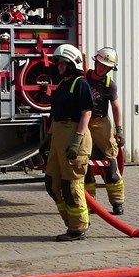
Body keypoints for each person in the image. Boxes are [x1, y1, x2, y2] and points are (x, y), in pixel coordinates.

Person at [44, 44, 94, 241]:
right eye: (58, 63)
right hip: (58, 136)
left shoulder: (80, 84)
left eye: (63, 63)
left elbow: (86, 113)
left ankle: (78, 227)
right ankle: (72, 222)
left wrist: (77, 141)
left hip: (74, 136)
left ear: (73, 64)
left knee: (70, 186)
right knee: (52, 184)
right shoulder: (62, 85)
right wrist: (48, 139)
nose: (59, 66)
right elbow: (55, 116)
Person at [83, 47, 126, 215]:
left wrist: (119, 130)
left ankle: (117, 202)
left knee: (110, 161)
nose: (102, 68)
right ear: (95, 62)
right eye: (101, 64)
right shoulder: (83, 77)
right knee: (84, 162)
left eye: (106, 67)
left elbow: (115, 107)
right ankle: (90, 203)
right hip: (83, 122)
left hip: (101, 123)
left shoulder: (109, 85)